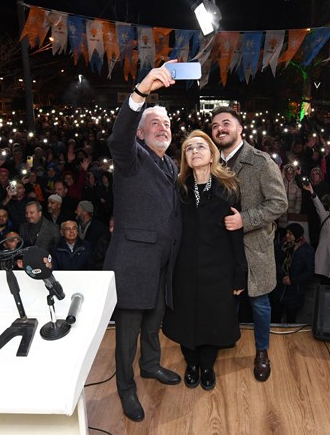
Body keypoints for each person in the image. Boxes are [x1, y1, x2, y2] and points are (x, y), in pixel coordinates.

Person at [104, 63, 183, 422]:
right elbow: (117, 137)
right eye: (154, 123)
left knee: (153, 324)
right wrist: (140, 92)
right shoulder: (130, 158)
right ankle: (126, 387)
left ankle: (150, 366)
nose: (163, 127)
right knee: (128, 334)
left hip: (162, 264)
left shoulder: (170, 165)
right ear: (139, 133)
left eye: (167, 124)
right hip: (134, 263)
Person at [163, 131, 246, 392]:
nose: (195, 151)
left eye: (200, 146)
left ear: (212, 155)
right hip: (183, 268)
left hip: (218, 268)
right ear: (185, 158)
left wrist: (239, 272)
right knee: (186, 317)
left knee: (213, 318)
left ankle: (207, 366)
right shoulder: (178, 189)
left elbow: (235, 233)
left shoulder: (229, 188)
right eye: (189, 149)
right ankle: (191, 364)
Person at [213, 106, 288, 383]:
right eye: (215, 126)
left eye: (226, 123)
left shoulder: (260, 161)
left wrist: (244, 220)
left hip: (254, 247)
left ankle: (262, 352)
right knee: (225, 300)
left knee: (259, 303)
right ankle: (225, 338)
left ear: (240, 128)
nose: (220, 128)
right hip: (222, 248)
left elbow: (279, 203)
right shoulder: (211, 162)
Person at [271, 223, 314, 324]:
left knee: (290, 320)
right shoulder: (282, 246)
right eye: (287, 233)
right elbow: (276, 262)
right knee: (275, 318)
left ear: (297, 235)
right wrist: (282, 275)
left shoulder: (307, 250)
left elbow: (309, 272)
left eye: (290, 234)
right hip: (279, 289)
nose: (287, 236)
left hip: (294, 292)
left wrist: (292, 280)